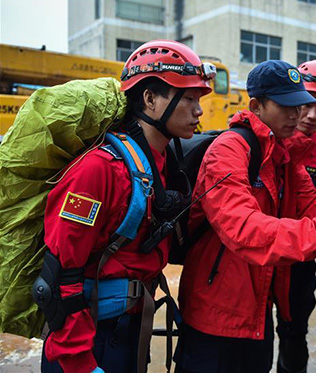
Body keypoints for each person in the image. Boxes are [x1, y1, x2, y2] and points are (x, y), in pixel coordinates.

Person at [173, 60, 316, 373]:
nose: (298, 115)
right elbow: (243, 228)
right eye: (286, 106)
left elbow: (315, 207)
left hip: (259, 312)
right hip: (215, 315)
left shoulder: (281, 157)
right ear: (256, 106)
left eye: (301, 105)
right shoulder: (230, 149)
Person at [38, 40, 214, 373]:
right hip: (87, 343)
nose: (199, 110)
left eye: (199, 99)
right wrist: (80, 362)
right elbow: (58, 277)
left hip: (130, 332)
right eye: (188, 98)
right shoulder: (100, 169)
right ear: (149, 99)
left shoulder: (159, 165)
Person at [275, 60, 316, 373]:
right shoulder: (260, 142)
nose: (313, 116)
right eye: (307, 104)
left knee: (294, 339)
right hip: (256, 259)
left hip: (300, 264)